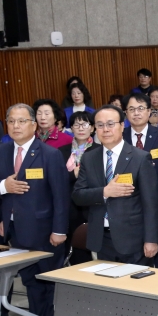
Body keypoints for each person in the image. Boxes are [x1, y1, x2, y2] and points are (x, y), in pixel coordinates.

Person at [72, 105, 158, 316]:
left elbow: (151, 203)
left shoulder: (140, 157)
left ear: (122, 126)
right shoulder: (89, 156)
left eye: (111, 124)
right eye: (100, 125)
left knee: (139, 292)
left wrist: (151, 239)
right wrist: (104, 192)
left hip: (134, 236)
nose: (105, 129)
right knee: (115, 293)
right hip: (104, 236)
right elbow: (78, 195)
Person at [0, 104, 69, 316]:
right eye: (11, 121)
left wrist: (59, 230)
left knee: (47, 278)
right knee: (29, 280)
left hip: (45, 231)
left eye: (21, 121)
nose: (16, 126)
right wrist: (4, 187)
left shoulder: (49, 154)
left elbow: (60, 196)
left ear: (33, 125)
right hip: (15, 230)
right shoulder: (1, 152)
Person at [125, 93, 158, 270]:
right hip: (128, 200)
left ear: (149, 112)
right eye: (132, 109)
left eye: (141, 109)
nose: (136, 113)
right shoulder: (121, 136)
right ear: (126, 113)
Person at [59, 110, 96, 264]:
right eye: (76, 124)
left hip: (89, 205)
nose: (81, 128)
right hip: (66, 204)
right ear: (71, 128)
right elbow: (56, 179)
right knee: (66, 245)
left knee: (84, 247)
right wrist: (73, 174)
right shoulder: (61, 151)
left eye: (85, 124)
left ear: (92, 128)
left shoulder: (98, 151)